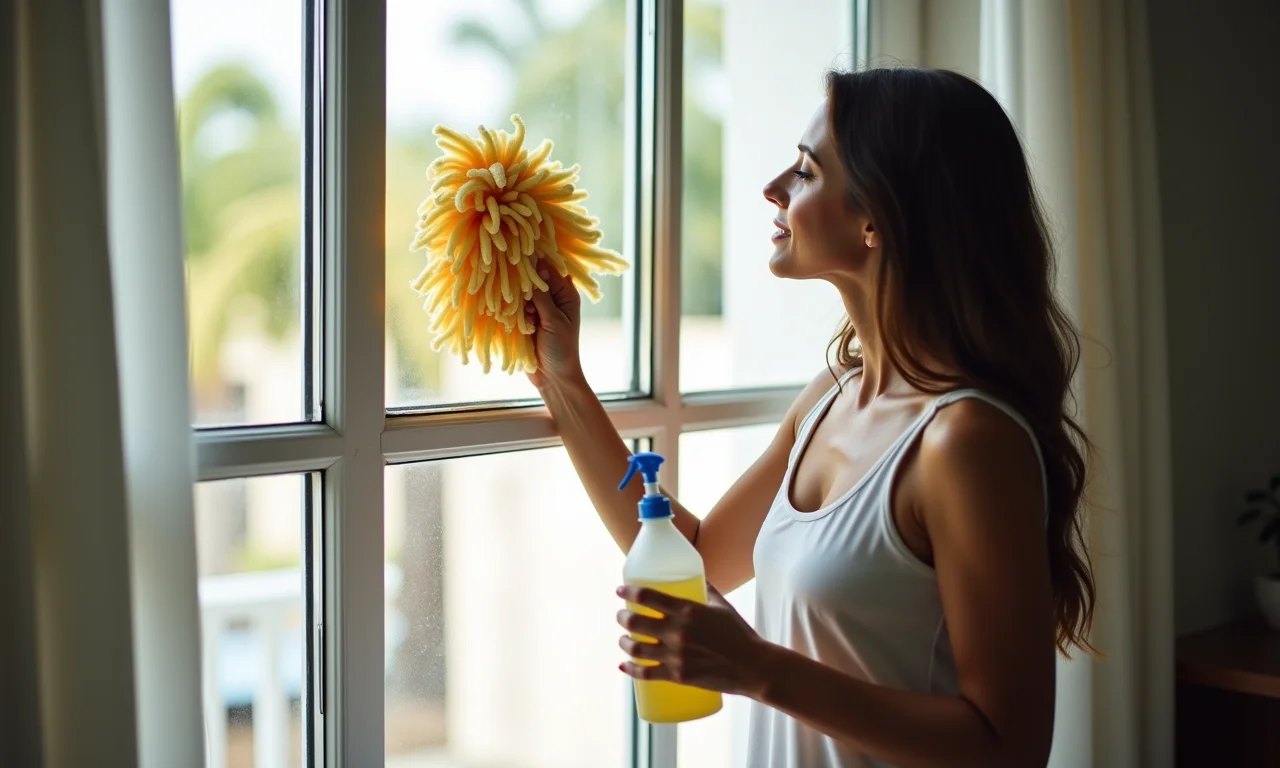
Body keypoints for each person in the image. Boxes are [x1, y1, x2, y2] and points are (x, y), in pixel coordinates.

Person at [523, 67, 1095, 768]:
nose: (773, 188)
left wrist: (758, 669)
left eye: (805, 171)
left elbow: (1010, 747)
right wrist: (564, 382)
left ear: (877, 218)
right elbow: (694, 557)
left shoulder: (966, 441)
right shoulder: (828, 398)